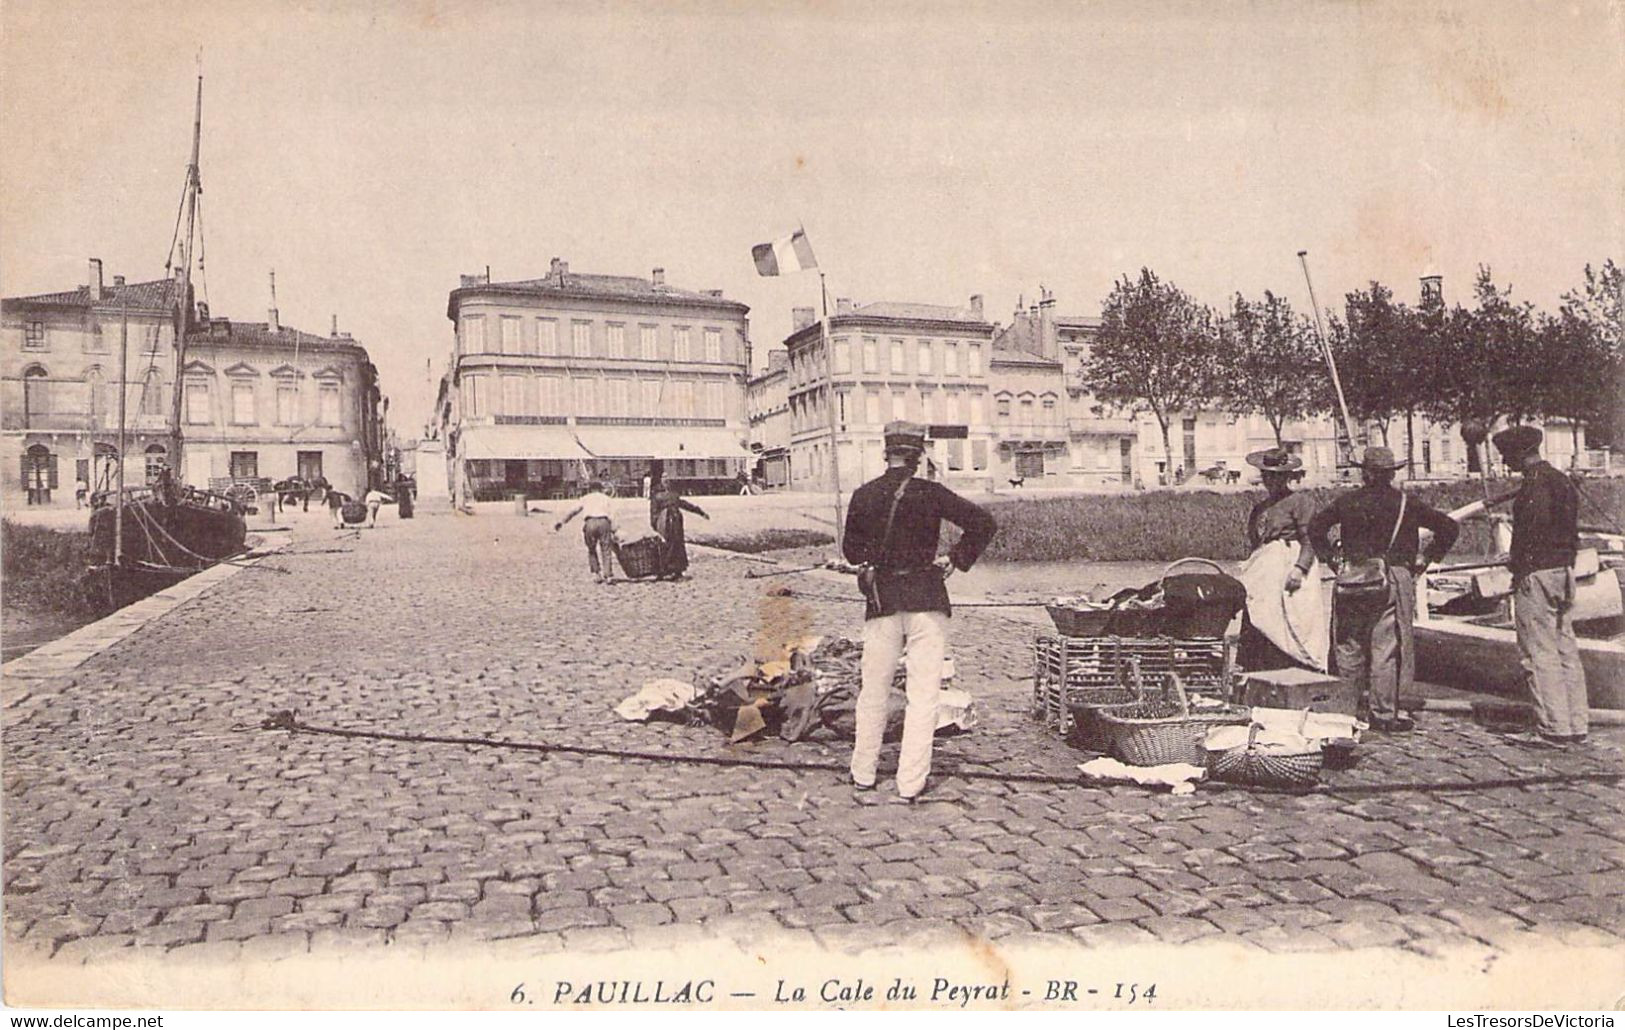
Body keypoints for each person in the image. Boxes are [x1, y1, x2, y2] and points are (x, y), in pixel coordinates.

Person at [843, 421, 997, 801]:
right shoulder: (931, 493)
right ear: (918, 456)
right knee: (923, 695)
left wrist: (870, 560)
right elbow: (983, 523)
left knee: (873, 690)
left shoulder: (864, 495)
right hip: (927, 598)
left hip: (883, 602)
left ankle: (863, 772)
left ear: (887, 452)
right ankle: (910, 782)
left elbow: (851, 552)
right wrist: (955, 559)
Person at [1308, 446, 1459, 731]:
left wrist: (1331, 559)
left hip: (1352, 577)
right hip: (1392, 577)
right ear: (1391, 473)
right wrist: (1428, 557)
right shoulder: (1405, 503)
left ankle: (1346, 712)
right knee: (1385, 648)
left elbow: (1316, 527)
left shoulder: (1347, 501)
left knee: (1349, 647)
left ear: (1364, 473)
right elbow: (1449, 527)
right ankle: (1383, 713)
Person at [1492, 425, 1586, 748]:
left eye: (1507, 456)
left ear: (1520, 454)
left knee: (1538, 652)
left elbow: (1532, 531)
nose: (1506, 463)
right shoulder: (1562, 480)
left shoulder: (1532, 487)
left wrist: (1515, 562)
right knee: (1566, 650)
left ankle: (1553, 727)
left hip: (1537, 574)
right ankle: (1576, 723)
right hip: (1564, 570)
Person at [1236, 447, 1324, 672]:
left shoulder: (1300, 502)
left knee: (1292, 619)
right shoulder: (1260, 508)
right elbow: (1256, 542)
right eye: (1267, 476)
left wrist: (1300, 568)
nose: (1270, 481)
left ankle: (1295, 669)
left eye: (1276, 476)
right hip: (1266, 569)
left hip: (1289, 565)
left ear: (1286, 477)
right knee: (1256, 613)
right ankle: (1256, 672)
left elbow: (1310, 539)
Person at [555, 481, 619, 583]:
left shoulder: (585, 498)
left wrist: (562, 521)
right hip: (604, 521)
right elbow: (612, 514)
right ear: (601, 489)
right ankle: (608, 575)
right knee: (606, 549)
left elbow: (573, 511)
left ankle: (597, 574)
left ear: (590, 489)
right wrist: (615, 530)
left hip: (590, 522)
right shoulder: (606, 498)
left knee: (591, 549)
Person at [648, 478, 709, 580]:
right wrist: (655, 524)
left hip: (671, 522)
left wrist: (700, 512)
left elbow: (685, 505)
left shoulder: (662, 496)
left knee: (672, 545)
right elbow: (654, 512)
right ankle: (673, 570)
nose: (666, 483)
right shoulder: (665, 496)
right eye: (665, 481)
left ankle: (670, 570)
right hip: (670, 522)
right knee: (674, 545)